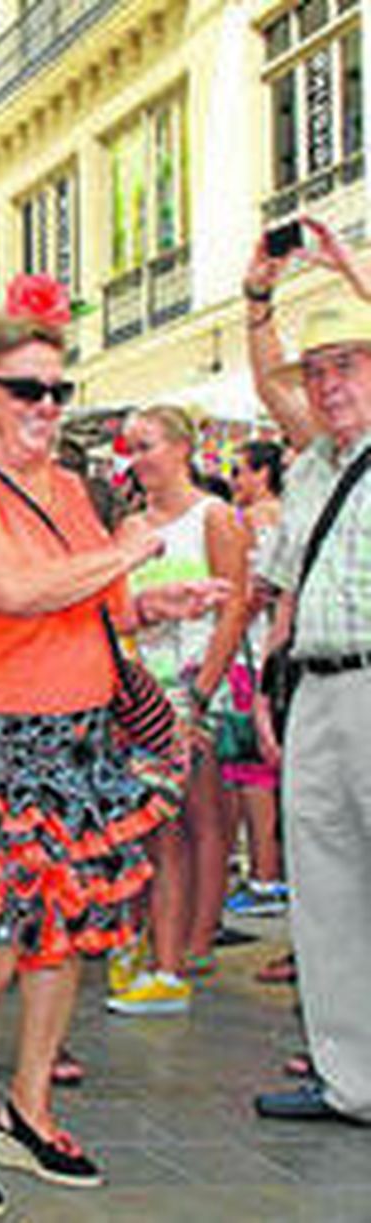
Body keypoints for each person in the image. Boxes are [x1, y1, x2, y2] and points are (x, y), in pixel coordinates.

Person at [0, 303, 225, 1216]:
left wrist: (154, 604)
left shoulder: (69, 488)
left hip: (77, 735)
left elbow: (98, 604)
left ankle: (28, 1108)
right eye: (25, 388)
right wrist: (125, 552)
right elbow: (11, 587)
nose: (45, 404)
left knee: (62, 934)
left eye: (56, 388)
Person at [245, 220, 371, 1125]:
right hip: (320, 689)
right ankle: (351, 1078)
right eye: (317, 370)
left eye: (349, 365)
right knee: (323, 891)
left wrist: (351, 275)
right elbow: (286, 591)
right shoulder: (315, 467)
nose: (328, 385)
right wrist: (258, 300)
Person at [107, 405, 247, 1015]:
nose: (136, 458)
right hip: (138, 693)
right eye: (130, 447)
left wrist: (201, 694)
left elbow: (234, 609)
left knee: (186, 821)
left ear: (182, 448)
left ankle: (181, 950)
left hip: (189, 689)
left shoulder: (214, 517)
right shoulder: (129, 525)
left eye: (147, 445)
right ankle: (154, 943)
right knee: (147, 826)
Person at [222, 440, 287, 917]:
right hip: (264, 653)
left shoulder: (259, 518)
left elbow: (260, 589)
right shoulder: (274, 513)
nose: (234, 481)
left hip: (253, 655)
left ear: (263, 474)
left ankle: (265, 876)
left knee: (253, 771)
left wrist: (233, 623)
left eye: (241, 471)